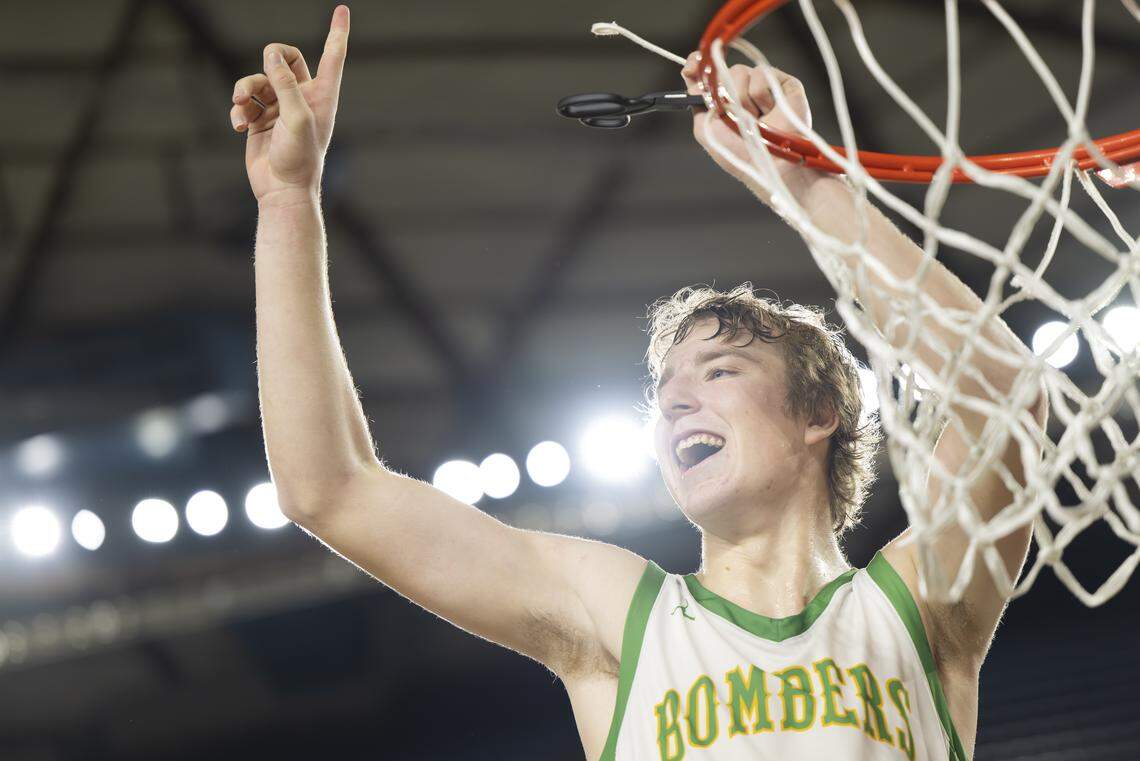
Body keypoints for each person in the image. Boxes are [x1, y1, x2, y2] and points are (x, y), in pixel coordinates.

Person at [229, 6, 1048, 759]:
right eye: (665, 391)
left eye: (719, 370)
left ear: (820, 413)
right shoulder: (621, 618)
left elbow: (1005, 392)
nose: (677, 401)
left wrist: (803, 184)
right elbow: (326, 490)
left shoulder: (914, 603)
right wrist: (289, 201)